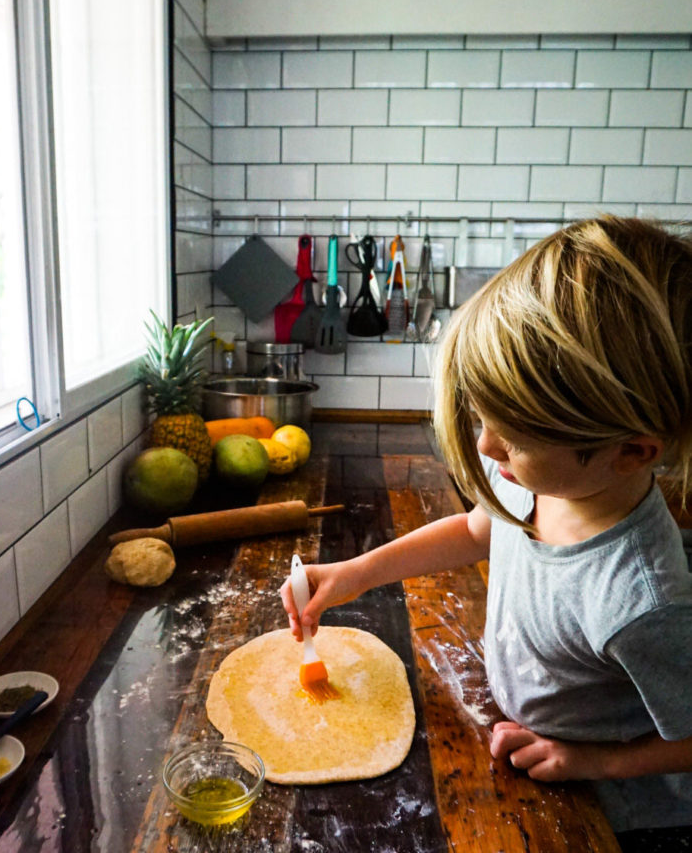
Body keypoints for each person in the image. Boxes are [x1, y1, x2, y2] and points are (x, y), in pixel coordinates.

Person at [280, 216, 692, 846]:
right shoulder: (541, 477)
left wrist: (593, 761)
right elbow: (478, 530)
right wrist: (354, 574)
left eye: (514, 432)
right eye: (484, 415)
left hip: (610, 809)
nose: (485, 443)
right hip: (529, 752)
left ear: (632, 453)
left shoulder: (643, 602)